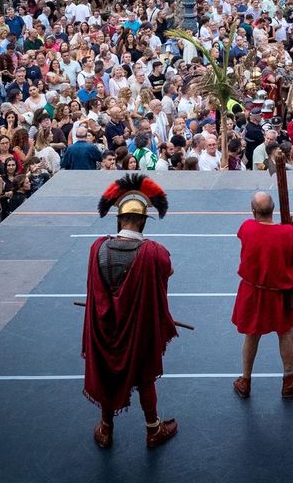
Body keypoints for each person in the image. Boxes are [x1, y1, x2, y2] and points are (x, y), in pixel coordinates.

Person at [83, 174, 178, 450]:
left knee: (106, 374)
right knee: (145, 376)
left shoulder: (97, 247)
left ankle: (106, 427)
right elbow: (169, 271)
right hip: (138, 325)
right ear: (144, 221)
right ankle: (153, 429)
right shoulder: (154, 252)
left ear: (119, 219)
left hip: (106, 327)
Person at [231, 190, 293, 399]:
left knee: (251, 335)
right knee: (286, 334)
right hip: (280, 294)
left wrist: (287, 228)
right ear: (273, 209)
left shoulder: (246, 227)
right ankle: (289, 380)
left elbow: (266, 236)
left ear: (253, 211)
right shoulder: (289, 234)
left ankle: (245, 380)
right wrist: (290, 229)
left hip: (252, 292)